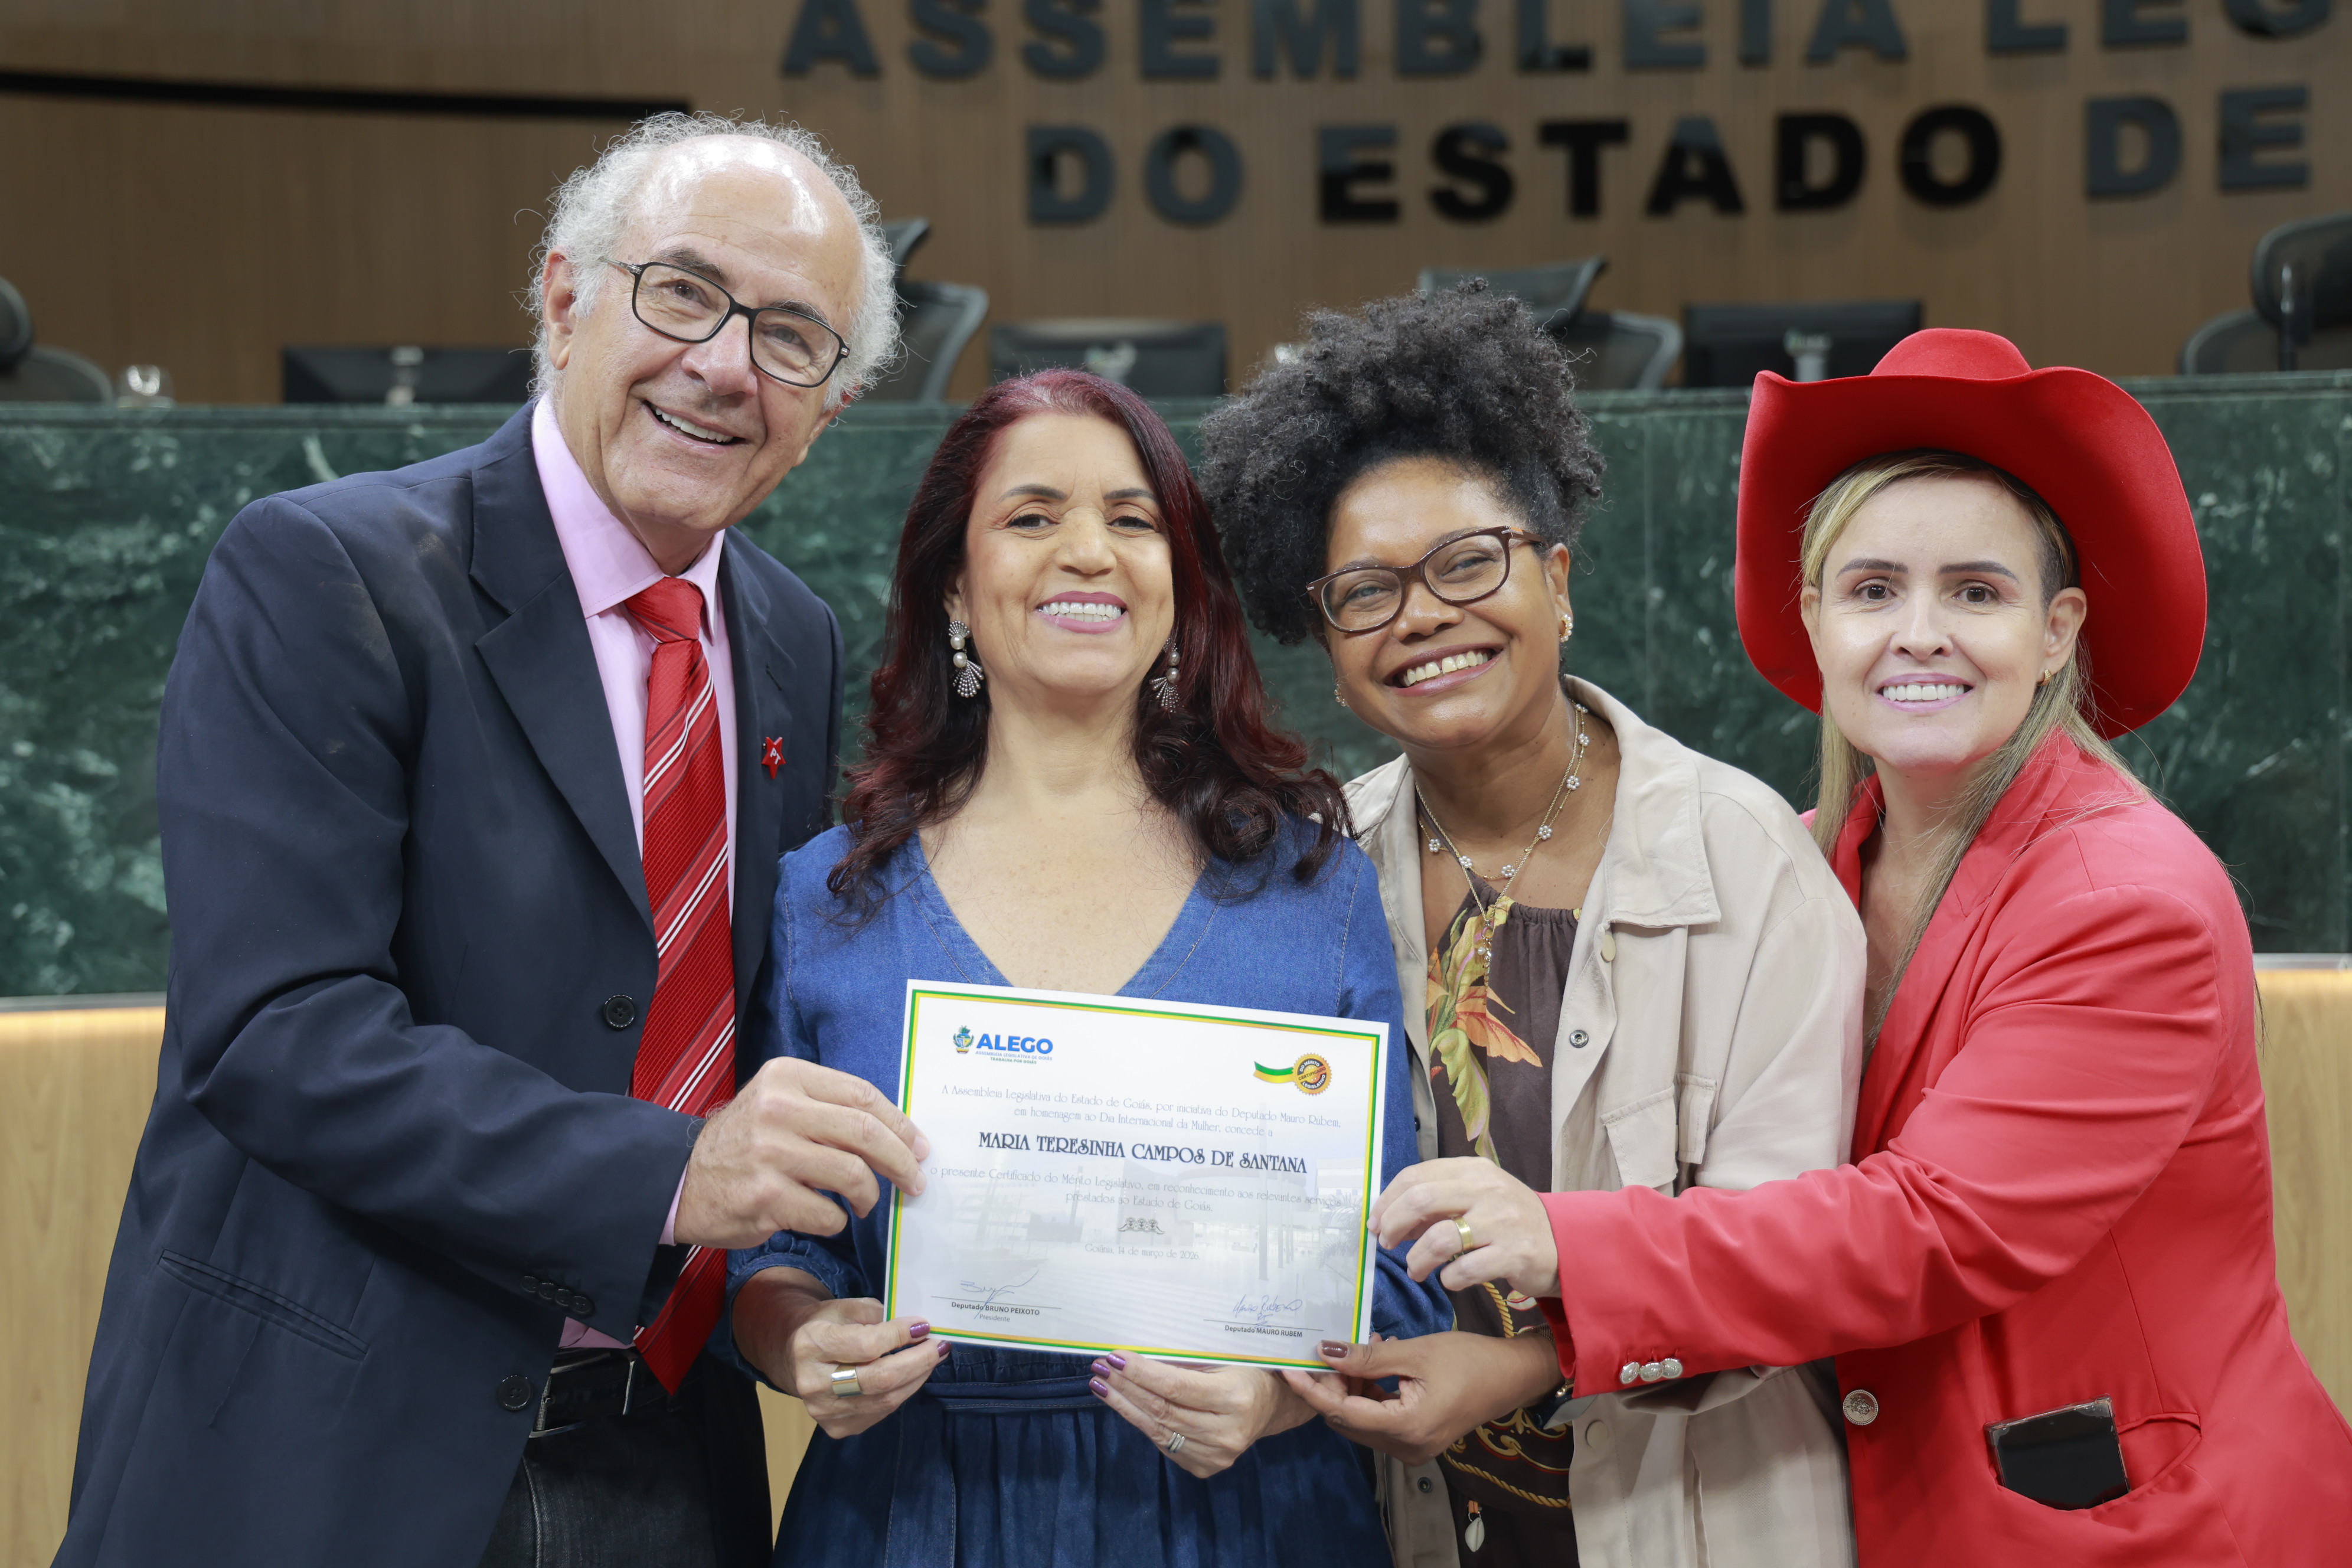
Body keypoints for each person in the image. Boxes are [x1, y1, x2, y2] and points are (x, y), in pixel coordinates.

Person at [57, 114, 925, 1568]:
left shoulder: (793, 635)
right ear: (564, 299)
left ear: (828, 407)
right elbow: (278, 1031)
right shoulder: (325, 570)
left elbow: (747, 1026)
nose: (725, 364)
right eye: (685, 292)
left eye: (790, 336)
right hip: (332, 1458)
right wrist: (670, 1173)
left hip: (668, 1456)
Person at [1373, 328, 2352, 1563]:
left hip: (2139, 1532)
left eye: (1977, 592)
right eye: (1874, 589)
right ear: (1816, 620)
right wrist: (1529, 1361)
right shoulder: (1796, 860)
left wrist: (1566, 1239)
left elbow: (1930, 1227)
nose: (1919, 632)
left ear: (2058, 630)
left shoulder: (2130, 900)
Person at [718, 368, 1452, 1567]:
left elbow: (1399, 1258)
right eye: (1031, 515)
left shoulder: (1312, 886)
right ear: (954, 587)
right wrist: (797, 1338)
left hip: (1247, 1514)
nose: (1089, 552)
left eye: (1133, 518)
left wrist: (1275, 1394)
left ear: (1179, 584)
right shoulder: (827, 895)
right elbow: (765, 1252)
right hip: (913, 1512)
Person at [1196, 284, 1866, 1568]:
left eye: (1468, 563)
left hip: (1699, 1516)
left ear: (1556, 580)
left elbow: (1798, 1256)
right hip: (1408, 1518)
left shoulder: (1746, 860)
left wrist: (1526, 1363)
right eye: (1366, 591)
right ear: (1326, 641)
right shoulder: (1312, 870)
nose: (1423, 615)